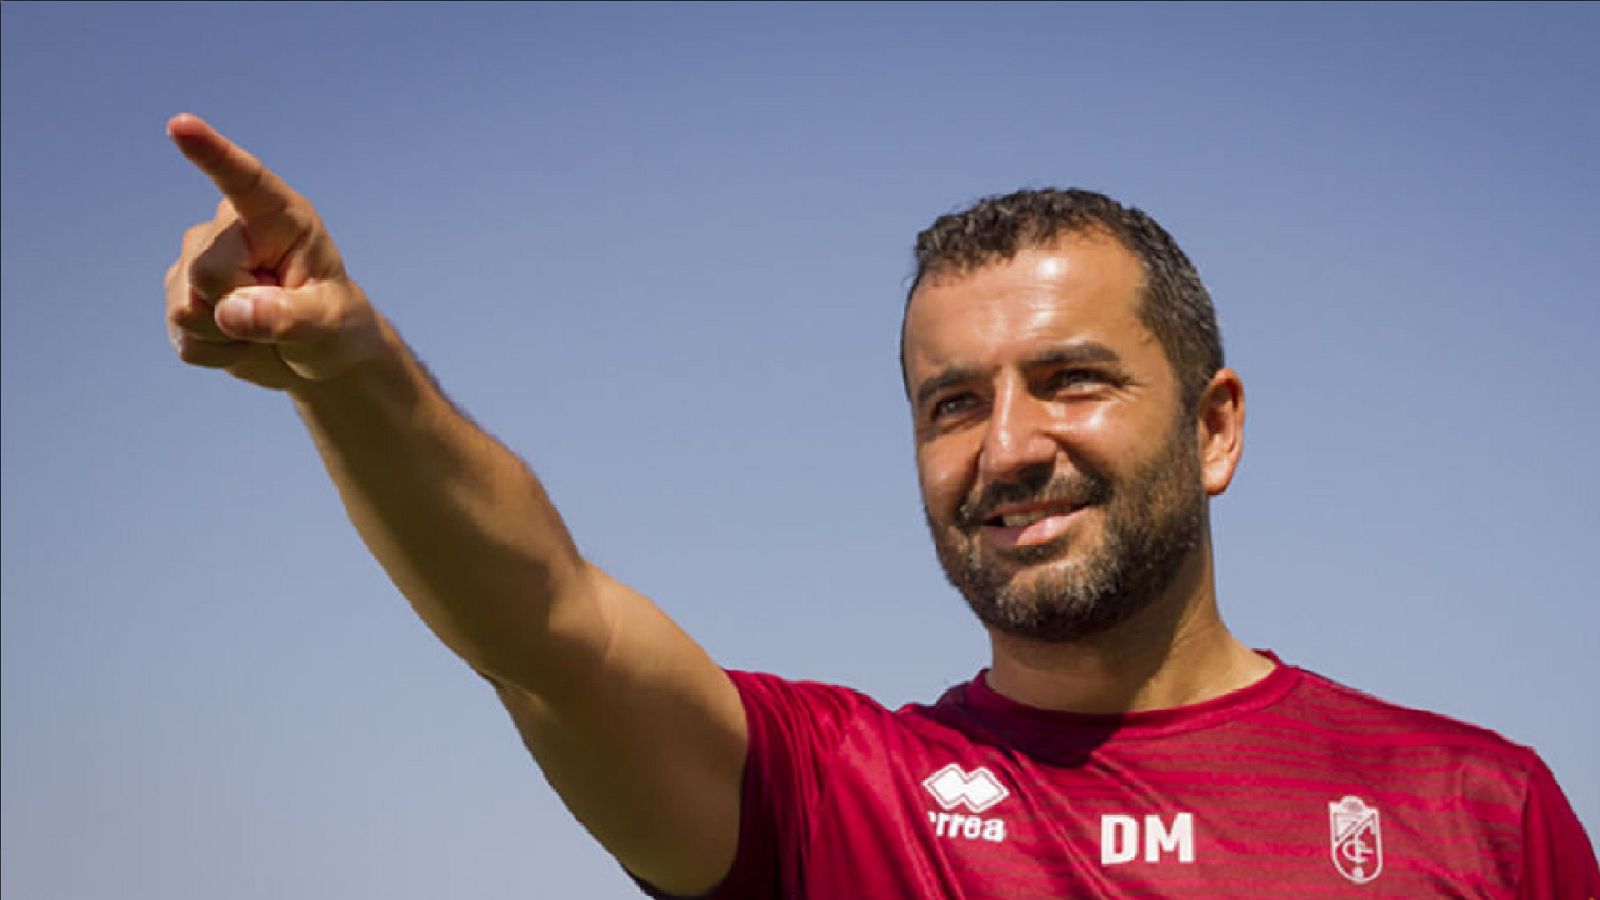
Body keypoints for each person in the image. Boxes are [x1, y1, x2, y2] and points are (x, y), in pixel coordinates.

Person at [163, 113, 1597, 898]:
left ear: (1215, 427)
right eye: (952, 404)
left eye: (1074, 379)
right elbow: (544, 622)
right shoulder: (837, 804)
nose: (1010, 446)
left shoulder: (1475, 812)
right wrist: (345, 374)